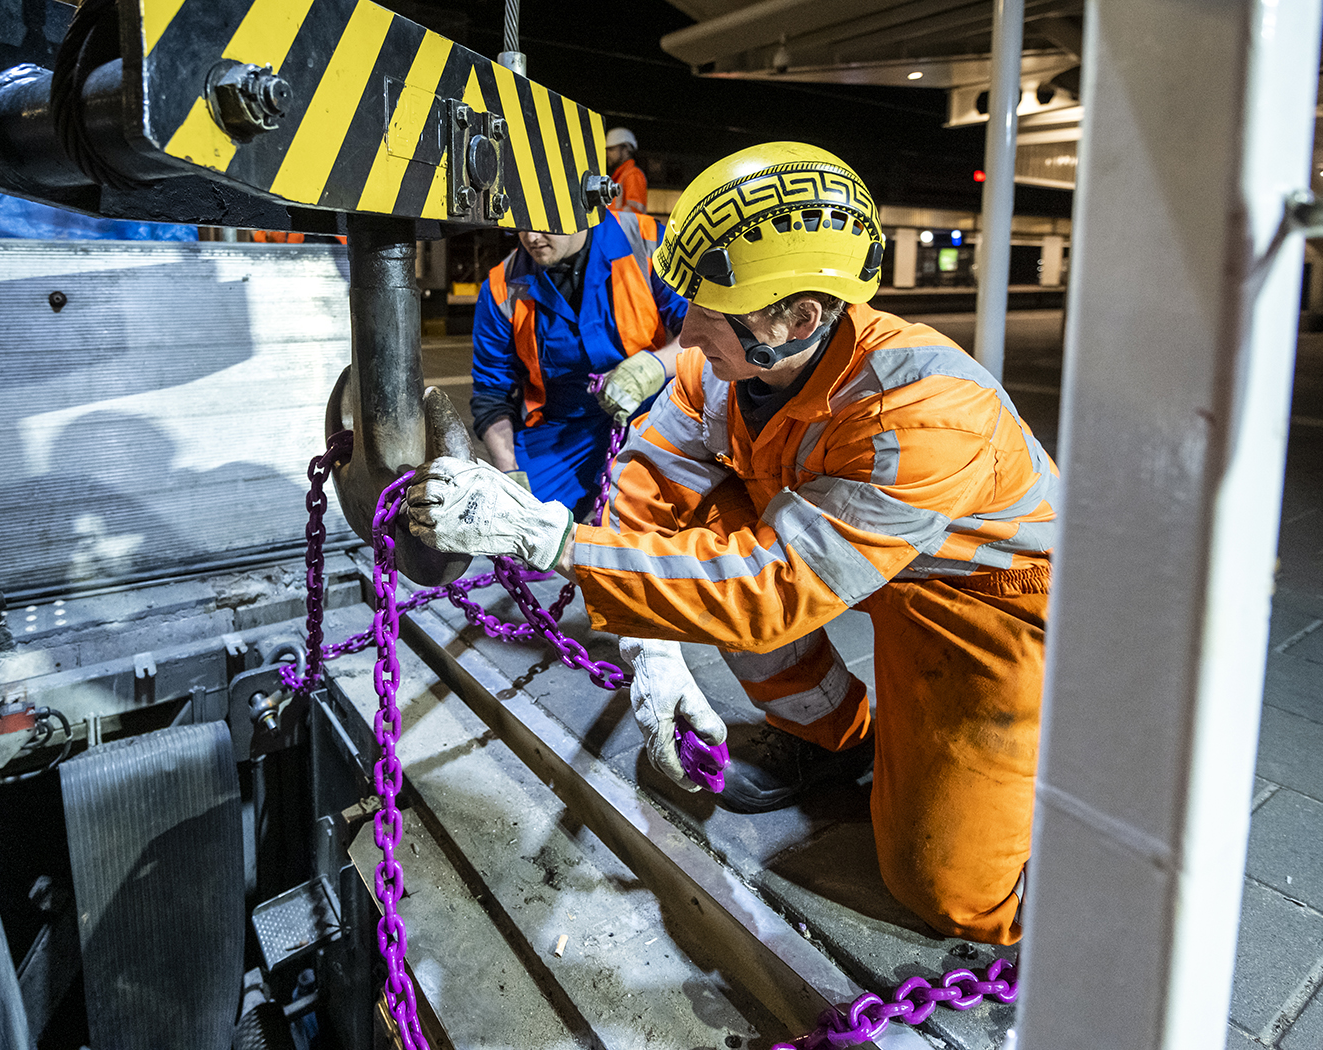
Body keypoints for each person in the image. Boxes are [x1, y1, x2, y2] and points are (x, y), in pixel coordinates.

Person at [409, 143, 1057, 946]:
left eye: (705, 309)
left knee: (948, 893)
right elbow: (648, 493)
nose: (681, 329)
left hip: (981, 604)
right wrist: (654, 652)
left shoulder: (922, 412)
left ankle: (1057, 816)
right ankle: (831, 740)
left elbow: (765, 589)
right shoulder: (724, 367)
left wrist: (544, 536)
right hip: (844, 560)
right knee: (702, 536)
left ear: (794, 321)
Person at [470, 206, 688, 520]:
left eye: (543, 223)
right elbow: (491, 394)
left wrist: (652, 367)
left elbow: (702, 330)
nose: (531, 238)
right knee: (519, 523)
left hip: (651, 410)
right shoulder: (503, 288)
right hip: (563, 428)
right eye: (522, 225)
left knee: (673, 509)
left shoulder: (646, 241)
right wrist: (510, 476)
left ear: (579, 209)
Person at [605, 127, 647, 216]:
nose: (607, 154)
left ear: (626, 149)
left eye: (611, 149)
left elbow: (635, 213)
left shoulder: (633, 174)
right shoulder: (619, 177)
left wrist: (606, 216)